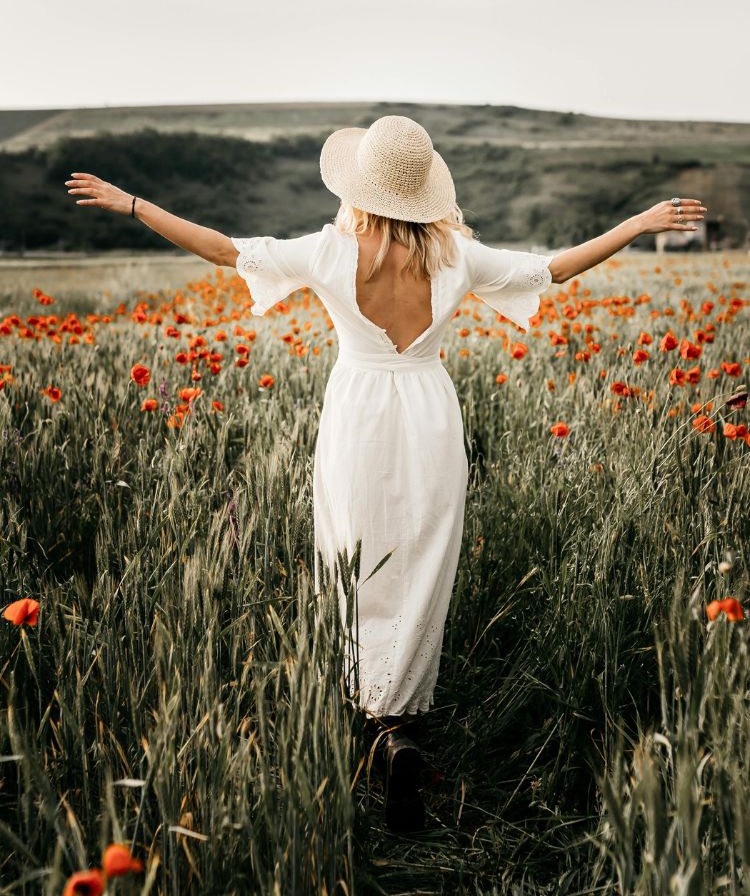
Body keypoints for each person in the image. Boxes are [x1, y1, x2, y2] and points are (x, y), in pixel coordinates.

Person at [65, 114, 706, 832]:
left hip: (358, 414)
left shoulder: (331, 252)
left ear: (361, 187)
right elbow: (553, 267)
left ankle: (371, 719)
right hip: (430, 413)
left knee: (353, 552)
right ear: (425, 190)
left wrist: (133, 204)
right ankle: (401, 723)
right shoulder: (456, 257)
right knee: (423, 561)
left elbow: (225, 250)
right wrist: (638, 222)